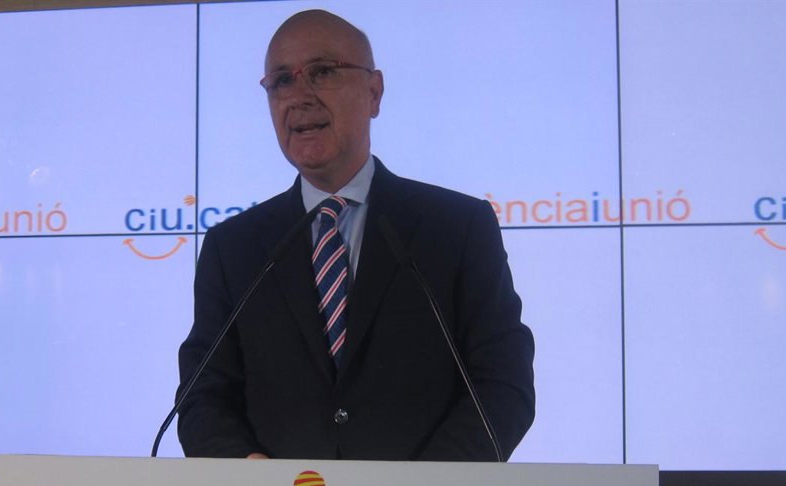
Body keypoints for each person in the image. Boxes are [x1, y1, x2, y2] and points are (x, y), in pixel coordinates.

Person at [177, 9, 533, 461]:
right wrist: (248, 473)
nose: (299, 97)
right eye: (282, 81)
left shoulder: (458, 228)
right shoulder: (233, 248)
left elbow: (503, 383)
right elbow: (202, 397)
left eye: (322, 72)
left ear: (374, 92)